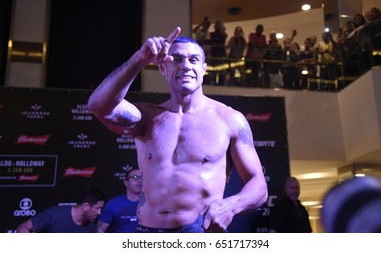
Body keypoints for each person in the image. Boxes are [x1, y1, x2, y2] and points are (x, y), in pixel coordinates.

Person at [88, 26, 268, 233]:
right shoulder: (146, 118)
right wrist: (140, 59)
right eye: (177, 59)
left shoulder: (229, 119)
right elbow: (98, 105)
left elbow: (259, 186)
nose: (186, 66)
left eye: (193, 60)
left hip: (199, 233)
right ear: (163, 68)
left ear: (204, 69)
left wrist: (232, 205)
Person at [16, 187, 105, 233]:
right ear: (86, 206)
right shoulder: (54, 214)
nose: (99, 213)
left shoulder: (92, 228)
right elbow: (23, 227)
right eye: (97, 208)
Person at [97, 168, 142, 233]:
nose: (139, 180)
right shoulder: (113, 204)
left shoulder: (151, 204)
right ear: (126, 183)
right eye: (135, 177)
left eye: (142, 177)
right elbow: (101, 229)